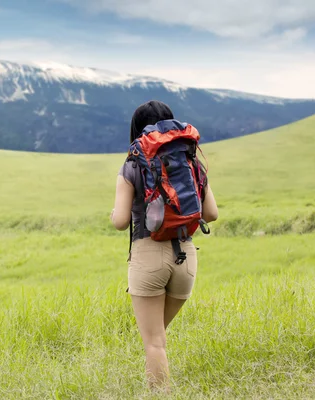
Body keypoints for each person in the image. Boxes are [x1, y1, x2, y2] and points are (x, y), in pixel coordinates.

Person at [110, 100, 219, 391]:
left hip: (148, 256)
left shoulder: (133, 163)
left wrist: (113, 213)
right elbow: (211, 214)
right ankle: (147, 384)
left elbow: (120, 221)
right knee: (158, 337)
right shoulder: (191, 160)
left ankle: (159, 394)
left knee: (154, 343)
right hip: (186, 255)